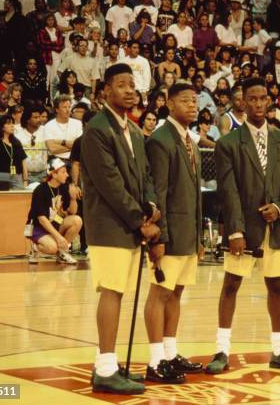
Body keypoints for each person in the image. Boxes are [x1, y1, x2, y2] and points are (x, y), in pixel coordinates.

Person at [206, 77, 280, 374]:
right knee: (231, 285)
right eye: (252, 98)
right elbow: (228, 190)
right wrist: (235, 231)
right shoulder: (227, 144)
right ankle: (222, 350)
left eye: (263, 98)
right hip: (243, 228)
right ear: (242, 102)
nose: (259, 103)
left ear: (270, 100)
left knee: (276, 285)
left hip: (275, 228)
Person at [82, 63, 160, 394]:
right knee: (111, 291)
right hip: (109, 224)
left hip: (130, 224)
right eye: (122, 85)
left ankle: (112, 366)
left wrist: (152, 209)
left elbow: (145, 177)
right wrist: (139, 220)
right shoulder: (97, 130)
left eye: (133, 84)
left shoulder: (133, 130)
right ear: (105, 92)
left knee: (120, 291)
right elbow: (110, 183)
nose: (130, 90)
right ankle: (104, 369)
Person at [145, 83, 203, 383]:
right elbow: (160, 194)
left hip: (188, 234)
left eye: (194, 101)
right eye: (185, 101)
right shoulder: (160, 140)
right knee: (160, 293)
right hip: (169, 234)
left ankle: (169, 352)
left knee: (176, 293)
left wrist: (199, 237)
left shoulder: (189, 139)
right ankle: (155, 361)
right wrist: (159, 237)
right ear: (169, 104)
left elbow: (193, 194)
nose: (192, 105)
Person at [26, 156, 82, 264]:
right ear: (54, 174)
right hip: (38, 227)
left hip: (56, 223)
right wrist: (59, 237)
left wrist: (73, 198)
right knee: (53, 248)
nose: (67, 175)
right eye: (63, 172)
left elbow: (72, 212)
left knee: (77, 220)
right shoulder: (40, 190)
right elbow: (42, 219)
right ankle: (35, 248)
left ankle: (63, 253)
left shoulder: (64, 187)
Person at [0, 114, 28, 189]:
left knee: (19, 198)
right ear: (1, 127)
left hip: (16, 176)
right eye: (8, 123)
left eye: (12, 123)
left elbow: (23, 162)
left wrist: (25, 180)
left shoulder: (16, 142)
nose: (12, 125)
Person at [44, 95, 83, 160]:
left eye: (69, 107)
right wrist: (71, 147)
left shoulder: (78, 123)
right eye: (64, 107)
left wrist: (62, 142)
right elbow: (52, 149)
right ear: (57, 109)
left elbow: (80, 145)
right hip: (56, 160)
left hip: (75, 160)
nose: (68, 110)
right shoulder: (49, 126)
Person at [15, 105, 48, 183]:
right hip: (25, 175)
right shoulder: (17, 134)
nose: (39, 120)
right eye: (35, 117)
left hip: (43, 175)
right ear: (27, 120)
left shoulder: (45, 130)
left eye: (39, 117)